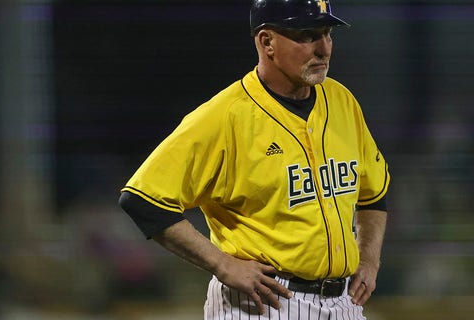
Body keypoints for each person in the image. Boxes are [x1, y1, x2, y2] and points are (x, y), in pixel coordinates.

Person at [118, 0, 390, 318]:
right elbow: (141, 198)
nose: (323, 48)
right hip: (260, 303)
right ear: (266, 42)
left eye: (327, 33)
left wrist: (369, 258)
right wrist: (222, 264)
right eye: (306, 34)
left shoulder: (342, 101)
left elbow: (374, 192)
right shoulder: (224, 116)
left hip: (343, 302)